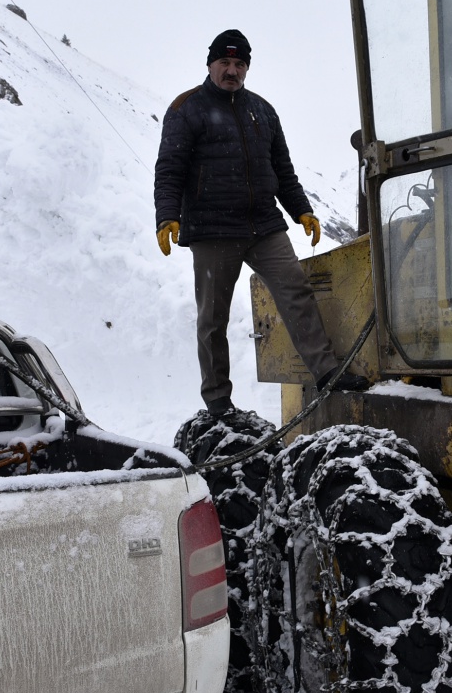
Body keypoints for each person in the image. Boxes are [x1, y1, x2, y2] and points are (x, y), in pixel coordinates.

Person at [154, 29, 367, 418]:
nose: (232, 71)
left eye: (239, 64)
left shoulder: (262, 111)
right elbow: (169, 169)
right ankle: (218, 400)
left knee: (296, 291)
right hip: (213, 230)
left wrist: (301, 210)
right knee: (213, 319)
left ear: (247, 68)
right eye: (224, 63)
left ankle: (327, 372)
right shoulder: (186, 109)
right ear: (210, 64)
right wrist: (167, 216)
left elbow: (282, 170)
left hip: (263, 226)